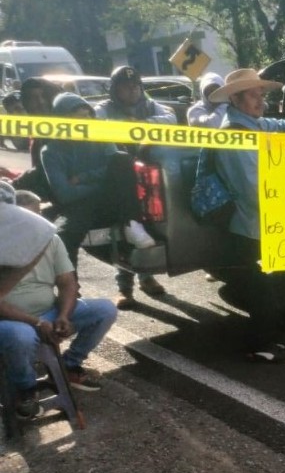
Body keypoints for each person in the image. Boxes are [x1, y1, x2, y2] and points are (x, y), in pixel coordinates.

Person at [209, 69, 285, 361]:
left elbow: (282, 124)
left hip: (269, 224)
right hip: (252, 228)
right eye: (253, 95)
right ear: (235, 98)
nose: (261, 100)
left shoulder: (254, 124)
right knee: (266, 290)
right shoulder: (234, 135)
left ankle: (270, 340)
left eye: (262, 94)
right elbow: (252, 188)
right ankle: (258, 346)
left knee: (280, 285)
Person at [0, 188, 117, 420]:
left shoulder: (50, 240)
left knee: (105, 310)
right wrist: (37, 322)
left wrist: (63, 315)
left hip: (48, 313)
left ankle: (69, 366)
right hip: (12, 320)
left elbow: (67, 283)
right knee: (20, 336)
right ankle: (25, 390)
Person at [41, 93, 157, 276]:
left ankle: (132, 225)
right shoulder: (50, 151)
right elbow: (64, 193)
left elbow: (116, 168)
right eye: (79, 118)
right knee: (63, 237)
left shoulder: (101, 136)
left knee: (122, 159)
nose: (86, 121)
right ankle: (71, 291)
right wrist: (100, 183)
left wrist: (82, 177)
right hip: (79, 206)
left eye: (88, 116)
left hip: (109, 197)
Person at [94, 66, 175, 305]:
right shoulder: (104, 108)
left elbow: (170, 117)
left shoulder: (149, 106)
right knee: (124, 227)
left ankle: (146, 277)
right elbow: (98, 122)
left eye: (136, 86)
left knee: (146, 226)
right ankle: (124, 287)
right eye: (126, 87)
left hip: (147, 174)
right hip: (118, 177)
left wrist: (141, 122)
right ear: (114, 89)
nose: (132, 91)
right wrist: (123, 124)